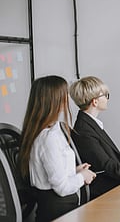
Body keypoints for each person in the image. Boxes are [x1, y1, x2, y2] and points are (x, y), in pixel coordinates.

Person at [18, 75, 96, 222]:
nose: (67, 99)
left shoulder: (49, 131)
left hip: (62, 209)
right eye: (64, 95)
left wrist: (74, 171)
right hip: (59, 213)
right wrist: (83, 177)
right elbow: (62, 188)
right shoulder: (49, 138)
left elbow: (51, 172)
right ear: (54, 100)